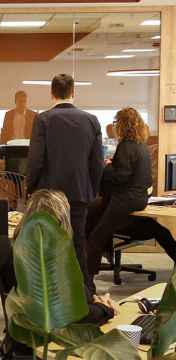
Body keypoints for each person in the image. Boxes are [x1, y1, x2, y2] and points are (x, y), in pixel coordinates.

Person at [27, 73, 103, 281]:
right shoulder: (91, 120)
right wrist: (92, 190)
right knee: (78, 242)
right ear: (73, 93)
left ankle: (54, 293)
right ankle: (84, 290)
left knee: (50, 243)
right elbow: (97, 163)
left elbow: (36, 160)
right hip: (79, 193)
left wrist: (30, 188)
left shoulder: (43, 119)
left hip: (49, 195)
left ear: (52, 93)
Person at [13, 189, 118, 325]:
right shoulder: (49, 261)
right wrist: (105, 309)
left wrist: (95, 301)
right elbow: (75, 315)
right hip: (48, 337)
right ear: (62, 220)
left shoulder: (21, 246)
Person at [86, 108, 154, 291]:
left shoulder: (126, 146)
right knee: (94, 211)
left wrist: (106, 167)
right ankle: (107, 251)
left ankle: (87, 282)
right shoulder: (141, 145)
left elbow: (120, 177)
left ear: (122, 124)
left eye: (116, 123)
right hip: (140, 198)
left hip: (126, 200)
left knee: (95, 237)